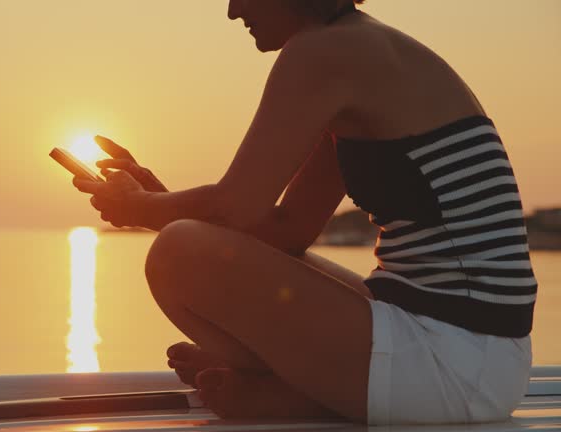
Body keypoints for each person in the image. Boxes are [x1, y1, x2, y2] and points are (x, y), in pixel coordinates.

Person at [73, 0, 536, 425]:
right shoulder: (359, 48)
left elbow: (235, 207)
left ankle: (297, 388)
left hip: (456, 362)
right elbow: (285, 230)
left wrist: (143, 209)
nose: (233, 10)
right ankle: (306, 386)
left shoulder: (323, 53)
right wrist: (160, 200)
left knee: (177, 252)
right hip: (481, 356)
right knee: (193, 239)